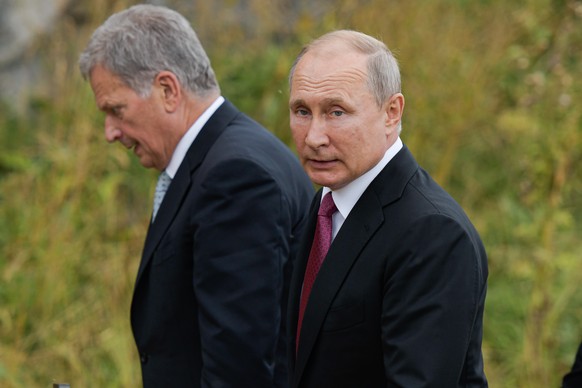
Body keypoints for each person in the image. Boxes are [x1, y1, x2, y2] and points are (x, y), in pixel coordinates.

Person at [79, 5, 314, 387]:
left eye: (116, 110)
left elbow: (239, 369)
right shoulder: (219, 159)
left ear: (167, 90)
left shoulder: (236, 178)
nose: (110, 131)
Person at [286, 29, 489, 387]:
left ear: (391, 113)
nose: (314, 136)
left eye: (336, 112)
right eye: (302, 111)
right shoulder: (324, 204)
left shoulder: (432, 234)